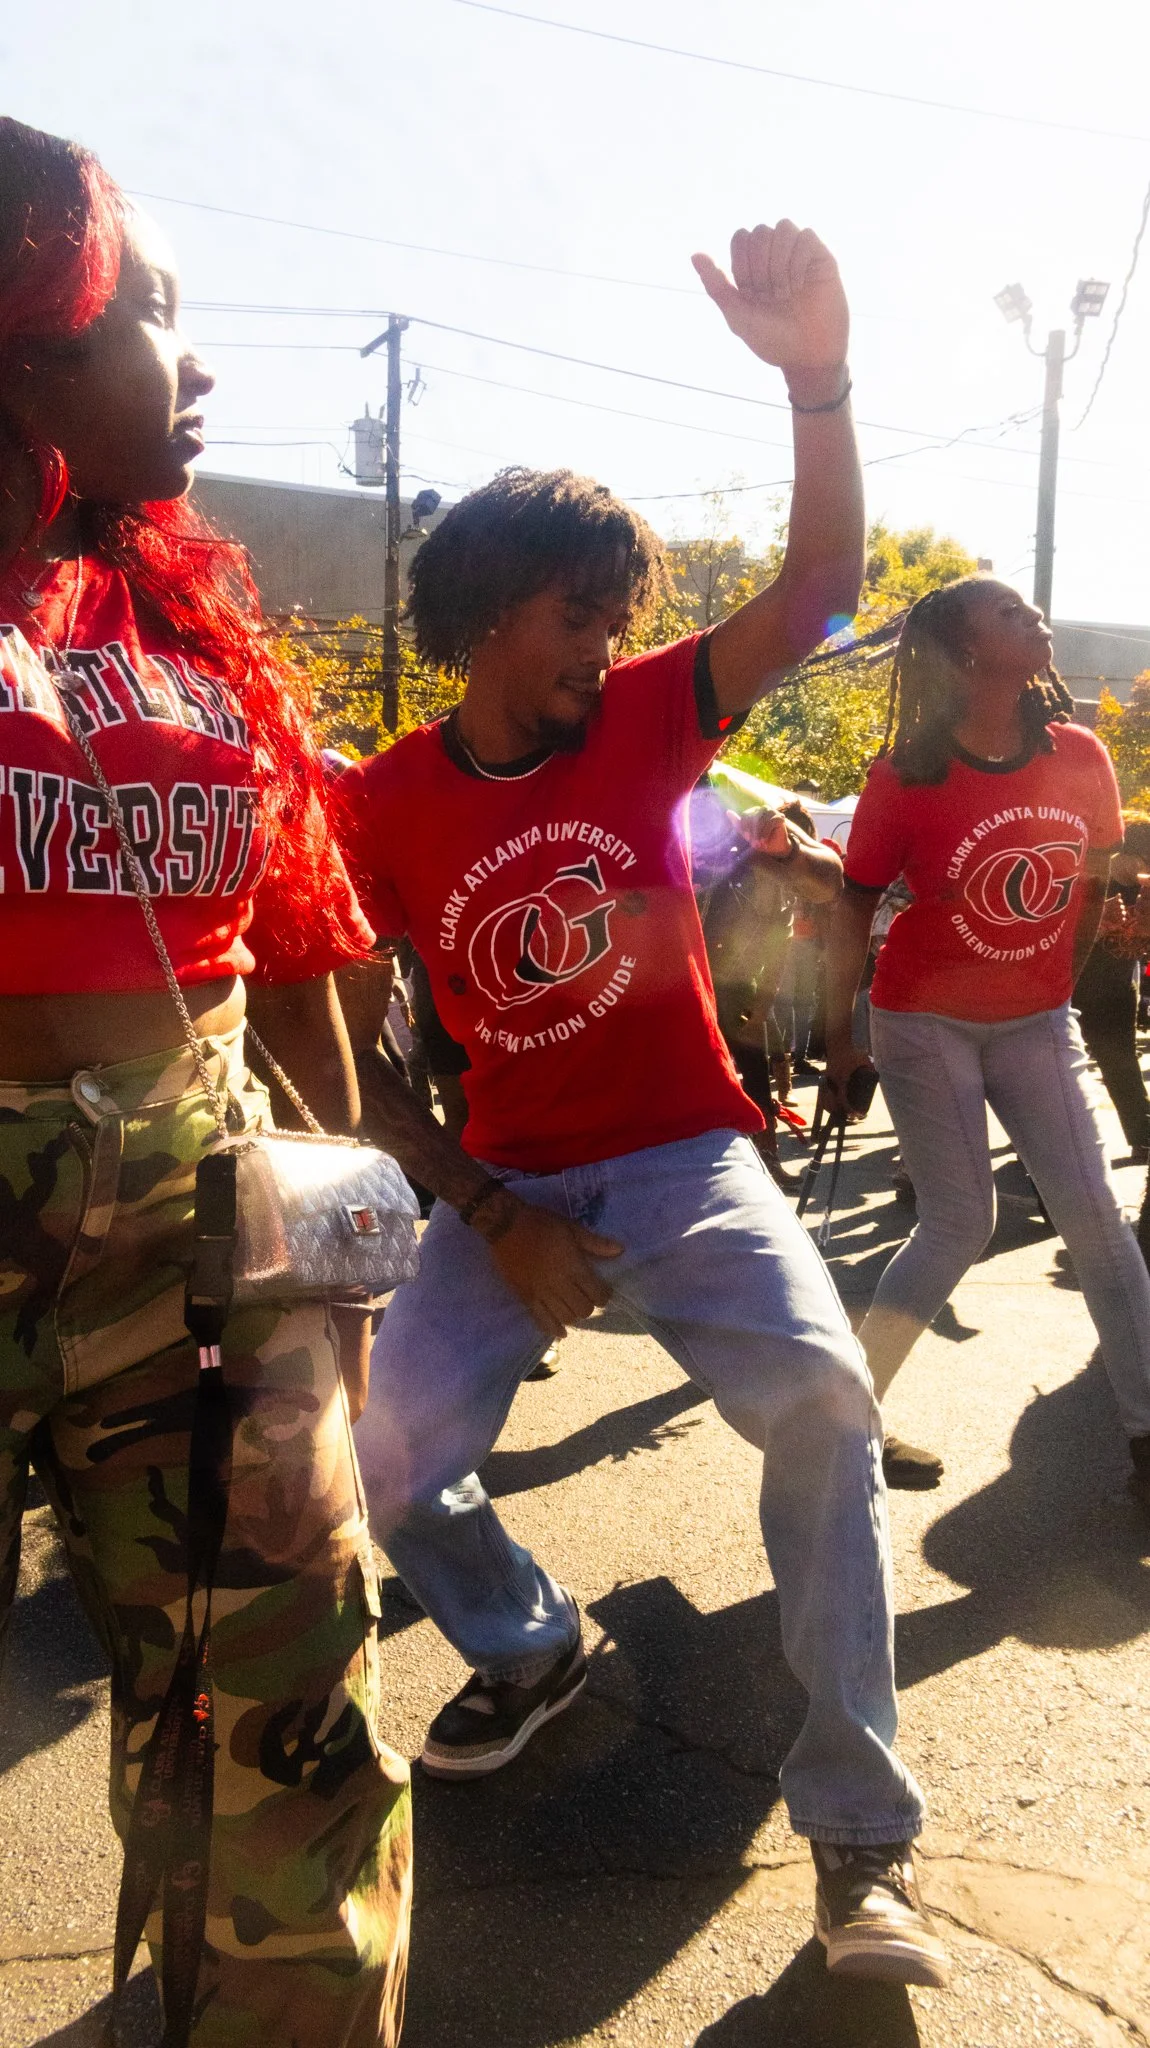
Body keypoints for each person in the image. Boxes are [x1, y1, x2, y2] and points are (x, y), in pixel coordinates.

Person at [338, 219, 948, 1988]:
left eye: (619, 615)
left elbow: (827, 582)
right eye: (576, 613)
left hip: (685, 1158)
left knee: (829, 1410)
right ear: (478, 618)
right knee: (375, 1469)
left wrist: (817, 380)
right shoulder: (379, 805)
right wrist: (489, 1206)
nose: (608, 644)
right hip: (507, 1174)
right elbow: (345, 1044)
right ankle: (531, 1640)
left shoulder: (647, 731)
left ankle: (861, 1843)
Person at [0, 122, 410, 2046]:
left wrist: (344, 1266)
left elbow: (311, 954)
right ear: (25, 330)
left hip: (201, 1267)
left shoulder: (192, 631)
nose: (200, 362)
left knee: (285, 1750)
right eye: (155, 315)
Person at [823, 577, 1150, 1518]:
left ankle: (1148, 1438)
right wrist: (841, 1043)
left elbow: (1090, 887)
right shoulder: (906, 775)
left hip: (1037, 1021)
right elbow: (852, 909)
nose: (1035, 619)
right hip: (924, 1021)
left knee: (1097, 1219)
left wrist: (1059, 988)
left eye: (1030, 608)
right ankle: (850, 1427)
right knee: (958, 1224)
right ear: (965, 656)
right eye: (1008, 614)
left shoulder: (1083, 756)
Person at [692, 786, 842, 1184]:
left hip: (734, 985)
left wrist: (763, 1002)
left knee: (752, 1069)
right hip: (695, 980)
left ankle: (766, 1159)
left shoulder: (771, 865)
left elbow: (781, 935)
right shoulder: (724, 856)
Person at [1073, 812, 1150, 1162]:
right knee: (1055, 1067)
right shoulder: (1088, 875)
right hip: (1072, 983)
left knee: (1120, 1062)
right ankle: (1037, 1142)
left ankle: (1142, 1138)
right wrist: (1095, 919)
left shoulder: (1144, 890)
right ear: (1132, 855)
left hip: (1118, 986)